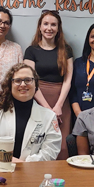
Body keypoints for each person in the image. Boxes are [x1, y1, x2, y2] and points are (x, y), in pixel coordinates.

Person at [24, 10, 73, 160]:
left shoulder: (66, 50)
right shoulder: (31, 51)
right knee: (36, 145)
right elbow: (29, 81)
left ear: (58, 28)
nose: (49, 28)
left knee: (62, 146)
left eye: (53, 24)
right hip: (37, 101)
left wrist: (58, 106)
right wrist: (47, 108)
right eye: (45, 24)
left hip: (61, 102)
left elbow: (68, 80)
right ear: (40, 27)